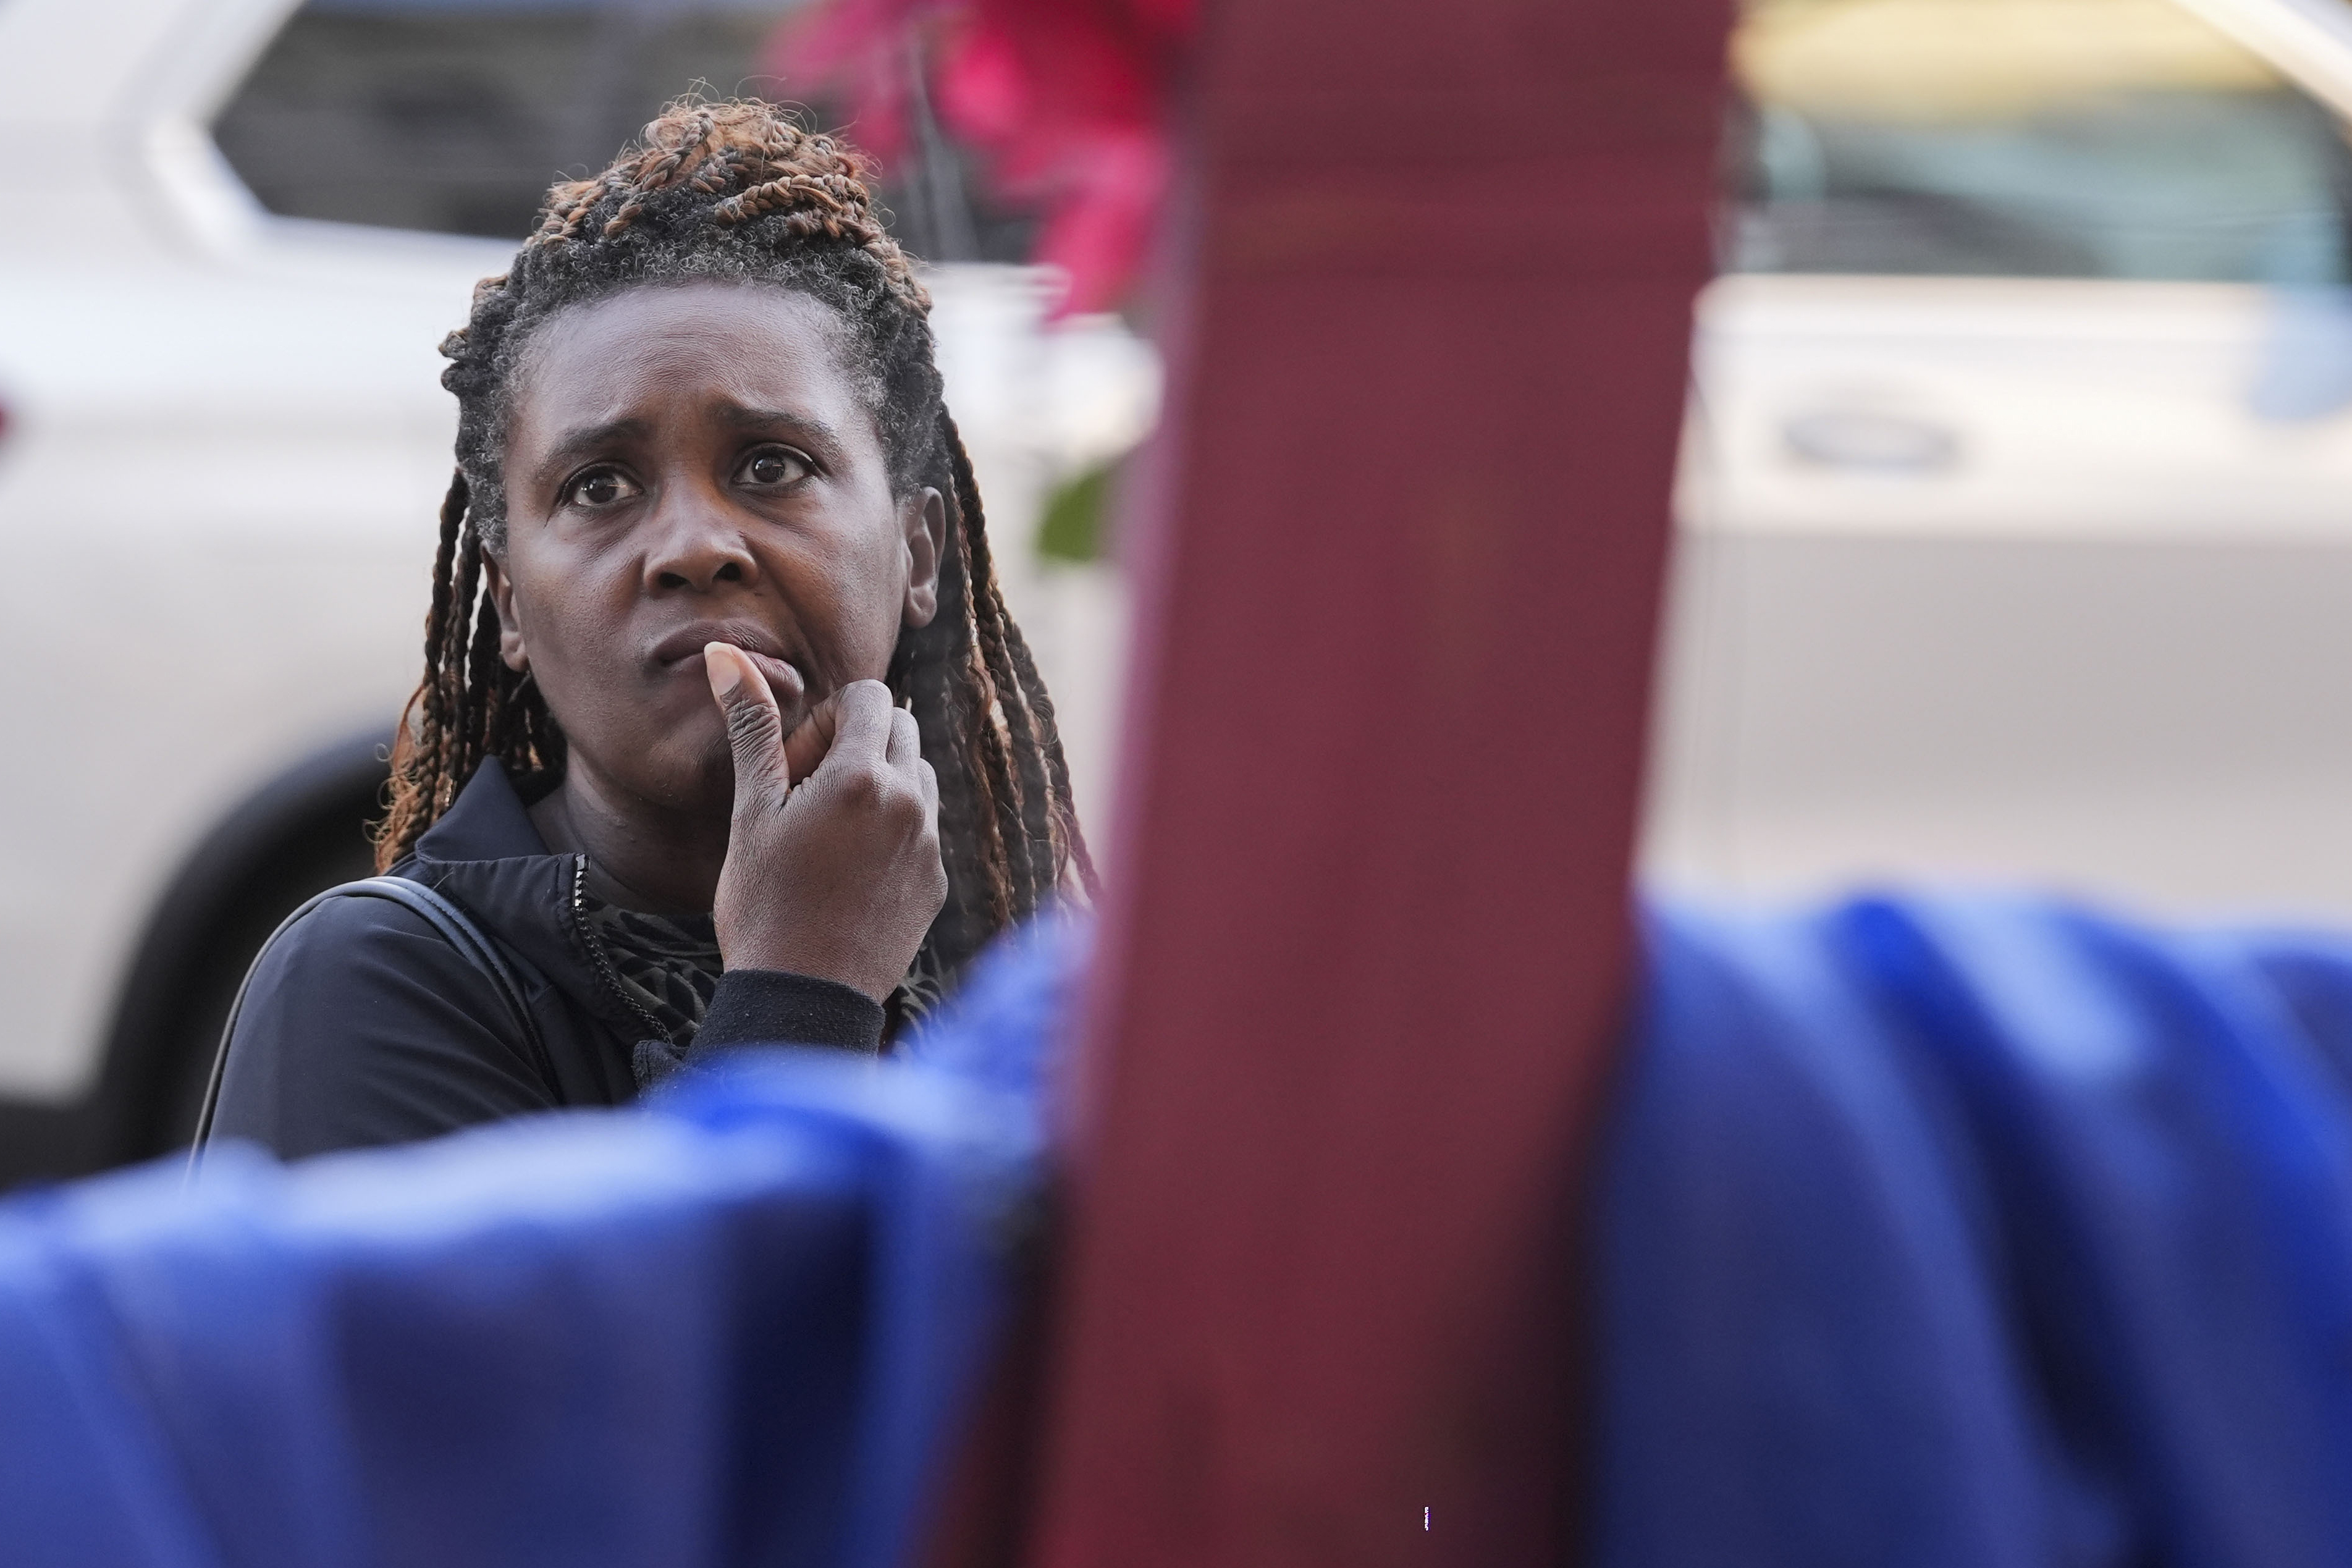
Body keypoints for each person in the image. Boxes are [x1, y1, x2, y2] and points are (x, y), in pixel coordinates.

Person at [208, 98, 1090, 1160]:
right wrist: (802, 989)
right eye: (599, 486)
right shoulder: (372, 982)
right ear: (511, 606)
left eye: (773, 464)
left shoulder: (1031, 988)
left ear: (920, 554)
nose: (692, 545)